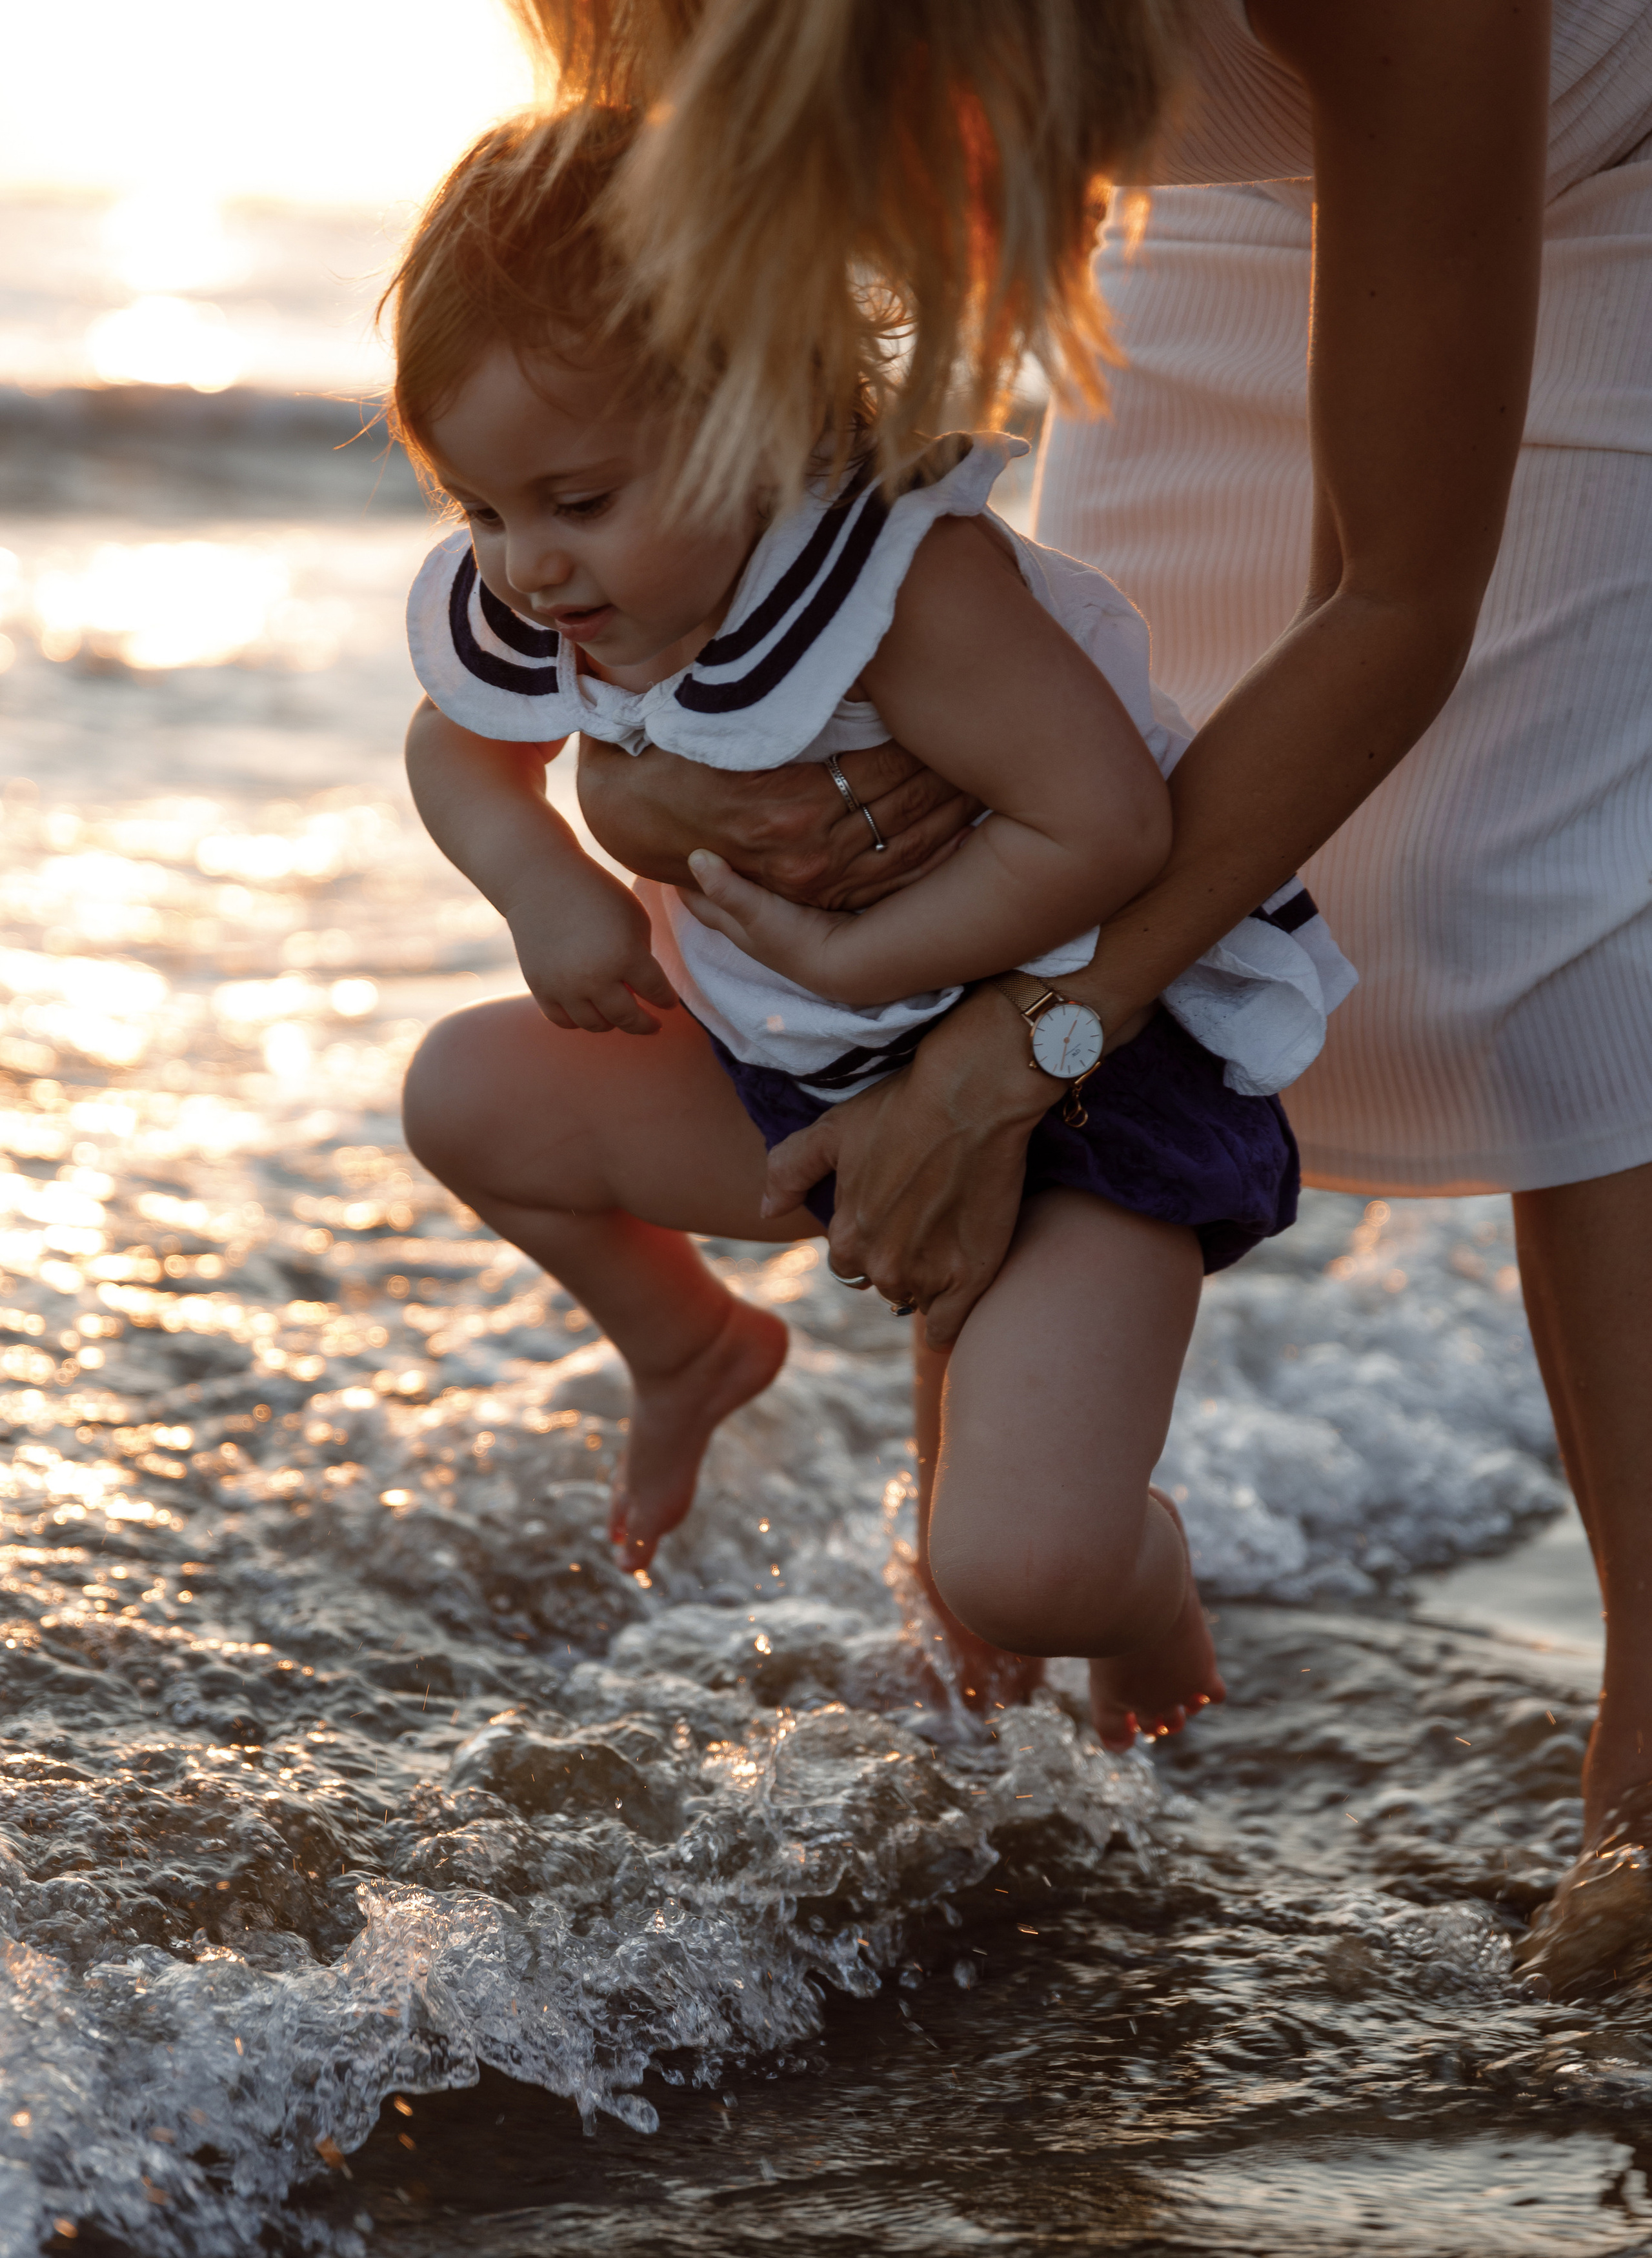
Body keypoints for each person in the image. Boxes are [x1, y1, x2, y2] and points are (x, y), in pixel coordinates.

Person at [500, 1, 1652, 1857]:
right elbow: (679, 505)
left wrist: (1020, 1046)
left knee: (1527, 936)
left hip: (1609, 169)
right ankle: (974, 1720)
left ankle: (1648, 1792)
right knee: (985, 772)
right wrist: (648, 801)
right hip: (1219, 201)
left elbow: (1393, 599)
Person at [389, 109, 1355, 1746]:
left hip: (1086, 1085)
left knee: (1018, 1568)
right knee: (465, 1096)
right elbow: (459, 742)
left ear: (760, 415)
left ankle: (1150, 1604)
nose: (526, 564)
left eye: (575, 501)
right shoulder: (582, 573)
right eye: (478, 510)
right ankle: (688, 1346)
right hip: (797, 1076)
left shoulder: (910, 587)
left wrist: (859, 962)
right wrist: (541, 876)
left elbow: (1106, 825)